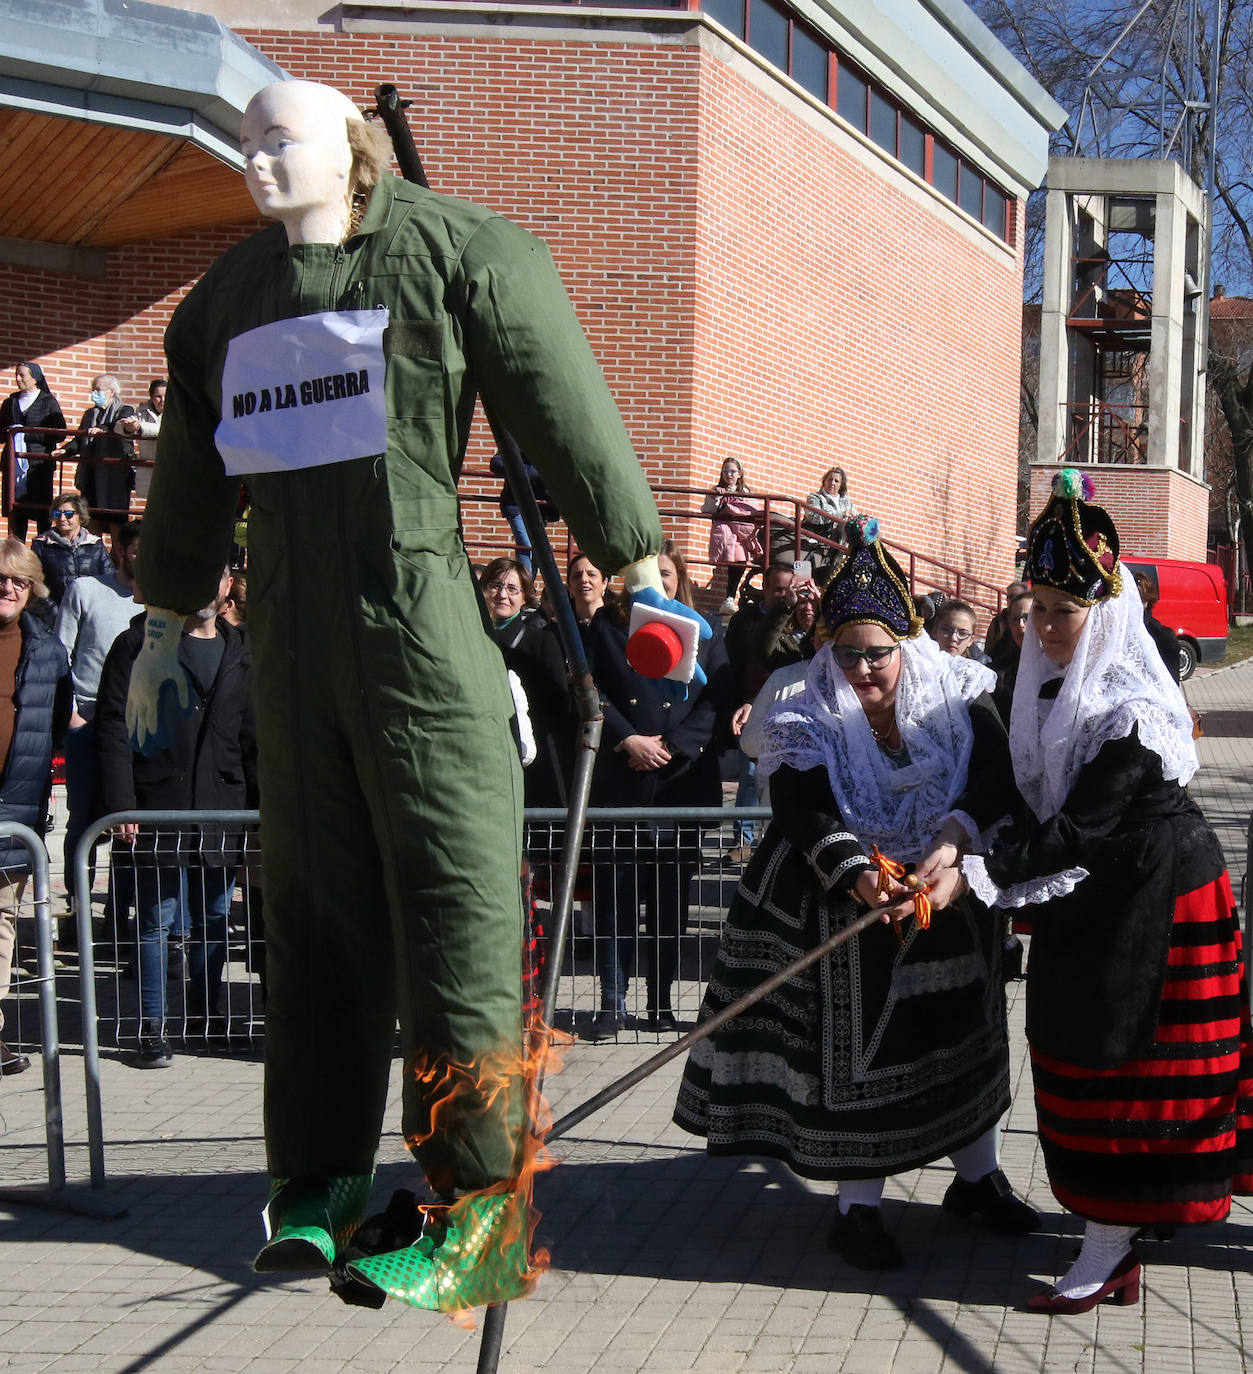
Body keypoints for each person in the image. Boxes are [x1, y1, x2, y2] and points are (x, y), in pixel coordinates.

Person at [125, 79, 679, 1312]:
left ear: (352, 151)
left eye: (283, 138)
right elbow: (186, 478)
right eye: (246, 142)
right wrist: (164, 621)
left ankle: (477, 1211)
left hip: (419, 629)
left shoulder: (457, 252)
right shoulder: (227, 303)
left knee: (453, 909)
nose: (258, 160)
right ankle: (313, 1191)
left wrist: (637, 565)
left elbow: (560, 399)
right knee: (311, 923)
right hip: (289, 644)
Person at [675, 518, 1037, 1270]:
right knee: (863, 1050)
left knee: (963, 1035)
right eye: (848, 656)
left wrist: (953, 839)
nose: (864, 670)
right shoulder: (805, 708)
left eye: (877, 655)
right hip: (841, 901)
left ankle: (977, 1180)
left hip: (946, 889)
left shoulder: (957, 693)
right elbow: (801, 804)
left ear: (903, 646)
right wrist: (859, 873)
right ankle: (856, 1210)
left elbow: (994, 773)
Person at [974, 469, 1253, 1314]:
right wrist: (958, 838)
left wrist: (982, 875)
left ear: (1104, 612)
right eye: (1037, 609)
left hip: (1159, 902)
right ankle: (1112, 1237)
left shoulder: (1129, 704)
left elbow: (1082, 823)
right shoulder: (1040, 687)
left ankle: (1109, 1244)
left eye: (1063, 610)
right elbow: (1020, 795)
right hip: (1088, 896)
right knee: (1075, 1046)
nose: (1047, 627)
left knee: (1139, 1065)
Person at [96, 567, 256, 1067]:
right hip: (154, 802)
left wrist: (258, 810)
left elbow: (253, 738)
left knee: (213, 918)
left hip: (222, 805)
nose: (207, 589)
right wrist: (123, 801)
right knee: (156, 920)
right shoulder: (140, 642)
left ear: (227, 585)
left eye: (217, 578)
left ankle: (206, 1019)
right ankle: (151, 1028)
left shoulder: (245, 651)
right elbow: (113, 727)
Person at [582, 540, 733, 1036]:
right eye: (649, 577)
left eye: (666, 576)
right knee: (614, 898)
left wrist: (670, 746)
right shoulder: (608, 628)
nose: (658, 585)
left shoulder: (706, 637)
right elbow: (590, 692)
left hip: (680, 785)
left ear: (680, 581)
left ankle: (661, 1004)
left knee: (670, 903)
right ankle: (611, 1001)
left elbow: (716, 702)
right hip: (622, 781)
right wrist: (628, 738)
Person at [0, 540, 72, 1078]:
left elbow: (55, 727)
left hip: (14, 809)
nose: (7, 588)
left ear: (31, 591)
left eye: (18, 581)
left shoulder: (47, 651)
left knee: (1, 922)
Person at [55, 519, 142, 939]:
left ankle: (120, 916)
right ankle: (78, 913)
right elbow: (61, 656)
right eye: (137, 549)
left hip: (138, 729)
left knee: (128, 825)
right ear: (121, 550)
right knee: (83, 822)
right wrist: (72, 714)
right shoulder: (86, 591)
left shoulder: (158, 601)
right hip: (88, 723)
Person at [479, 556, 573, 808]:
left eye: (512, 589)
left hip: (532, 753)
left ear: (524, 598)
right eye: (495, 586)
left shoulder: (542, 642)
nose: (502, 595)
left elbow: (559, 703)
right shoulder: (470, 638)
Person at [58, 375, 135, 536]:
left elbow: (120, 424)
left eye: (98, 390)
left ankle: (117, 558)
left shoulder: (125, 409)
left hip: (115, 477)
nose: (94, 393)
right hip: (92, 474)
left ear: (111, 392)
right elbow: (80, 440)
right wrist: (65, 450)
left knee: (116, 521)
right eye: (93, 390)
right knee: (91, 520)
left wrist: (103, 428)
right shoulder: (90, 414)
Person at [1, 363, 65, 542]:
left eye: (22, 375)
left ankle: (42, 553)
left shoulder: (48, 401)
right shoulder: (10, 402)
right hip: (14, 465)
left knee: (41, 512)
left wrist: (25, 433)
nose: (18, 379)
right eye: (16, 375)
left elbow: (60, 433)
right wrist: (10, 431)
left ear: (35, 378)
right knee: (17, 512)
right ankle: (16, 556)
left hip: (38, 466)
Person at [31, 493, 113, 605]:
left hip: (89, 610)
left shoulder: (95, 545)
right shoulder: (42, 545)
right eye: (57, 513)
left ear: (80, 516)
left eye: (68, 514)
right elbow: (35, 583)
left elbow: (109, 579)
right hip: (55, 613)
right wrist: (52, 611)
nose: (62, 518)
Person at [703, 458, 761, 614]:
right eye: (725, 471)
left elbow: (753, 510)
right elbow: (707, 509)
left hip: (741, 534)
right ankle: (729, 598)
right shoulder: (716, 490)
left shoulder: (746, 492)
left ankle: (730, 597)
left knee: (740, 562)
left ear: (740, 474)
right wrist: (716, 497)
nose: (729, 474)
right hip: (725, 532)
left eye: (733, 471)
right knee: (732, 560)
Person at [488, 450, 559, 576]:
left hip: (540, 507)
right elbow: (496, 463)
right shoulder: (517, 442)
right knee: (525, 544)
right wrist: (523, 470)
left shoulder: (548, 446)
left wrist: (527, 472)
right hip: (515, 505)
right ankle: (524, 583)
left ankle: (529, 584)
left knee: (538, 547)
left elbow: (556, 469)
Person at [115, 378, 165, 500]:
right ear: (152, 398)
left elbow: (168, 430)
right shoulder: (142, 412)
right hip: (148, 470)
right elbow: (118, 427)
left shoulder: (177, 411)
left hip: (168, 468)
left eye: (166, 396)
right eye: (158, 396)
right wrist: (127, 427)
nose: (162, 400)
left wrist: (140, 427)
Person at [990, 590, 1032, 727]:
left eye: (1027, 617)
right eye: (1015, 619)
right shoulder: (997, 672)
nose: (1021, 624)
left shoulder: (1060, 667)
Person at [1134, 572, 1181, 683]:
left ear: (1147, 602)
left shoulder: (1163, 637)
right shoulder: (1114, 633)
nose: (1132, 604)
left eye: (1138, 599)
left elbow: (1171, 683)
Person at [803, 466, 856, 557]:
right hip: (818, 544)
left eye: (836, 481)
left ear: (841, 485)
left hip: (841, 548)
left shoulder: (847, 502)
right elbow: (813, 516)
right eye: (830, 479)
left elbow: (855, 518)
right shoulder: (815, 497)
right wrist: (841, 514)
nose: (832, 483)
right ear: (824, 481)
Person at [984, 580, 1029, 657]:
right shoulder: (998, 621)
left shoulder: (1033, 618)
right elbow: (989, 647)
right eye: (1009, 596)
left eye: (1016, 596)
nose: (1011, 599)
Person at [567, 551, 609, 630]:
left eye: (591, 574)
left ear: (604, 583)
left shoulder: (620, 626)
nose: (583, 579)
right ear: (569, 587)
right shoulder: (557, 630)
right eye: (577, 575)